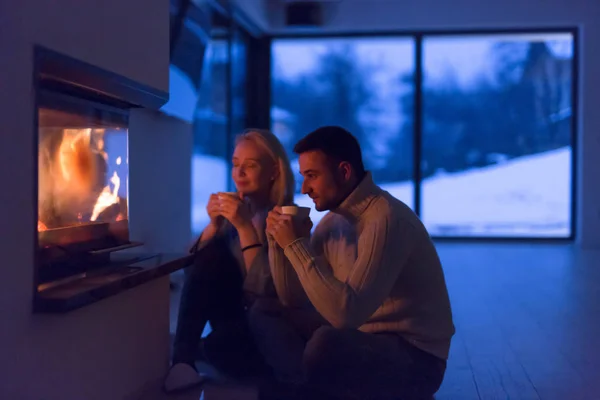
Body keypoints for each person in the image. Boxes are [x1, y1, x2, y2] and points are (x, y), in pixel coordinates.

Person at [256, 125, 455, 400]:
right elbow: (293, 299)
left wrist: (296, 245)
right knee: (266, 311)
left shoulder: (386, 219)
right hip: (359, 337)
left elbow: (346, 315)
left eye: (312, 176)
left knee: (325, 344)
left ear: (345, 172)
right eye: (303, 177)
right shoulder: (333, 222)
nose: (305, 189)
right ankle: (301, 384)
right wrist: (280, 245)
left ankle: (301, 388)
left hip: (416, 358)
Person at [164, 128, 296, 392]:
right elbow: (192, 278)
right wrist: (213, 227)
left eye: (251, 165)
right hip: (233, 318)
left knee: (219, 346)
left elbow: (265, 290)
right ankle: (183, 361)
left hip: (267, 327)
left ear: (273, 172)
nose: (240, 173)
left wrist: (245, 227)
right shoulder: (237, 213)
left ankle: (197, 350)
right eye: (236, 164)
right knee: (211, 254)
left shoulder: (287, 220)